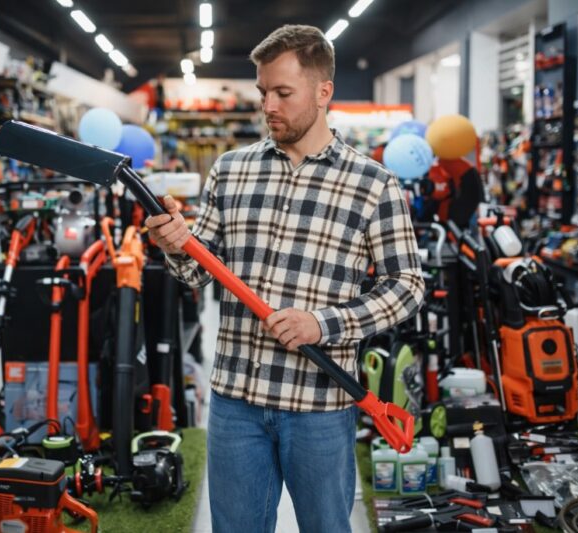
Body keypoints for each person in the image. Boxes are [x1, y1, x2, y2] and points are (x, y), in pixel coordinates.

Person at [145, 25, 424, 533]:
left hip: (317, 404)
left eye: (282, 93)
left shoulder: (373, 185)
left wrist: (324, 324)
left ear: (323, 92)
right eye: (262, 92)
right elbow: (196, 267)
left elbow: (408, 285)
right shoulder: (232, 170)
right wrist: (174, 241)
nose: (268, 105)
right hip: (235, 403)